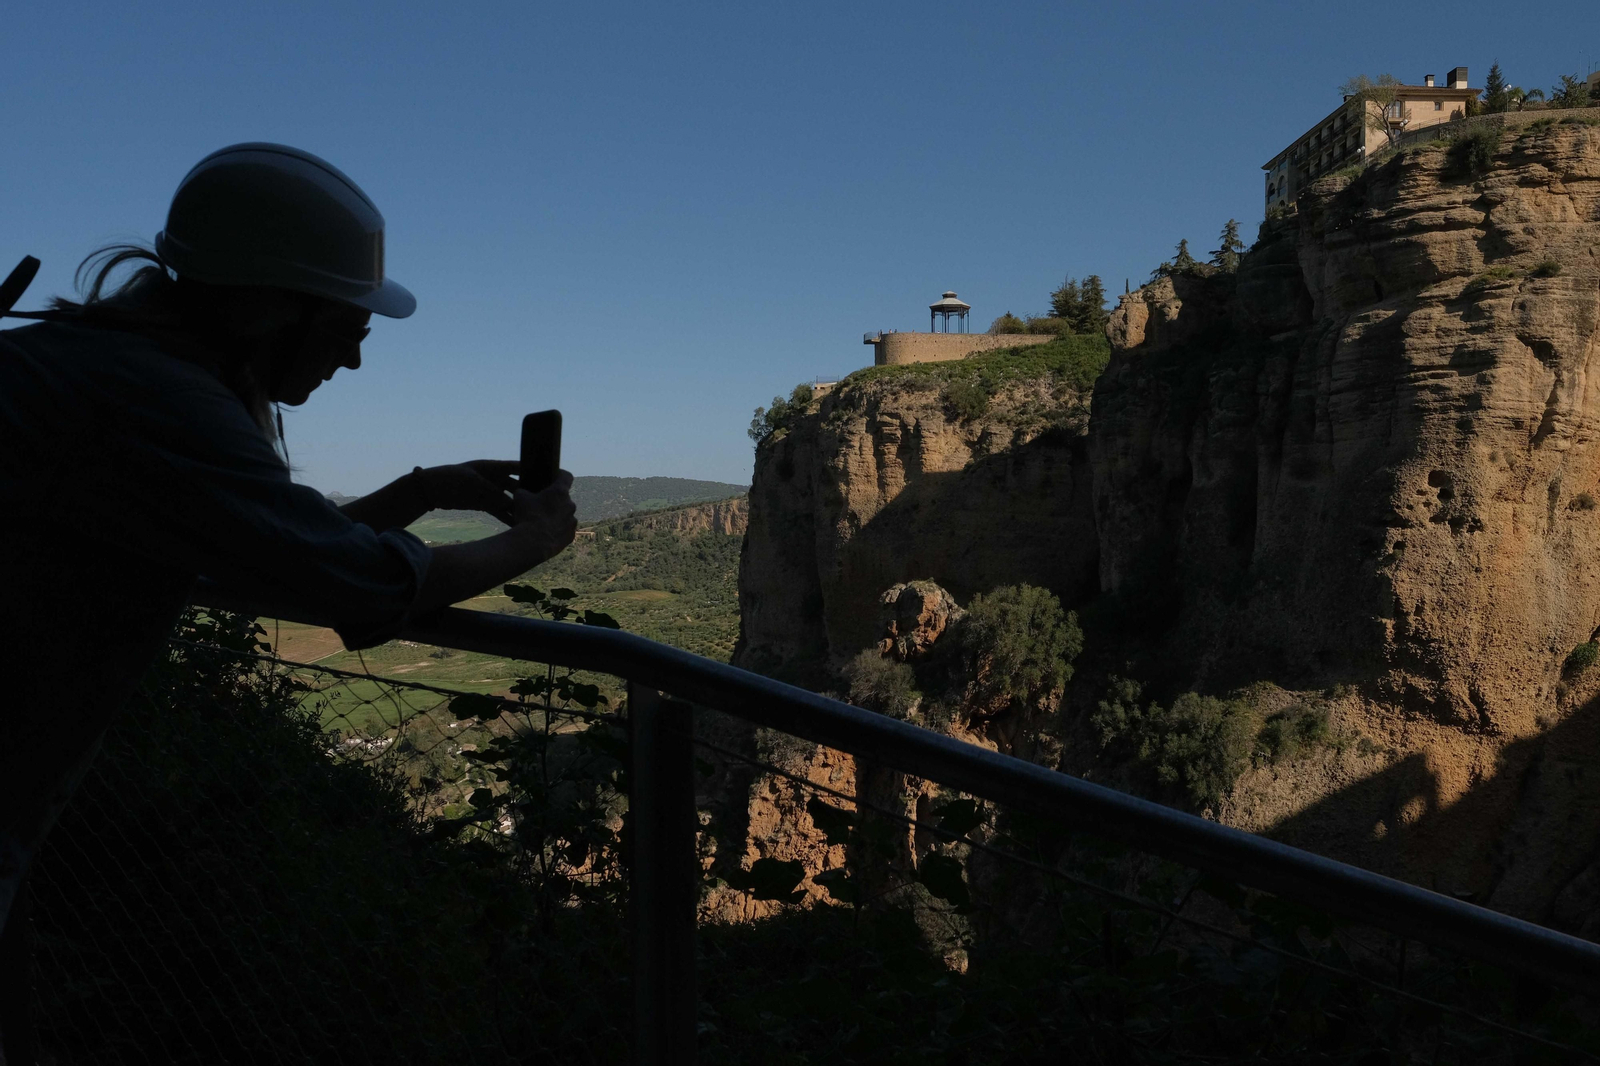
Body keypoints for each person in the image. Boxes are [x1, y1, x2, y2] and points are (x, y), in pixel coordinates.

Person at [0, 143, 577, 1064]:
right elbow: (355, 580)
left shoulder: (99, 370)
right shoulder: (155, 400)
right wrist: (532, 543)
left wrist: (423, 488)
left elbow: (255, 543)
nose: (353, 357)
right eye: (349, 326)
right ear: (272, 309)